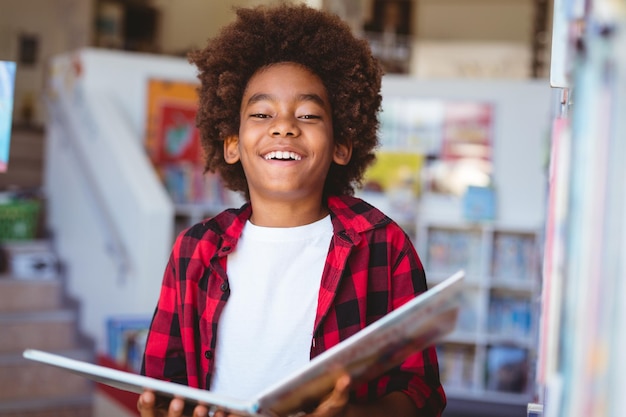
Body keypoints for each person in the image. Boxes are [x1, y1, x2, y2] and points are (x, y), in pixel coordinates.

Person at [138, 4, 446, 417]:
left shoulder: (382, 245)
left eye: (308, 114)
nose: (283, 126)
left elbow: (418, 391)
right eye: (262, 113)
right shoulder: (194, 250)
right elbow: (162, 380)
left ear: (342, 144)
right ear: (232, 143)